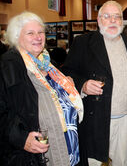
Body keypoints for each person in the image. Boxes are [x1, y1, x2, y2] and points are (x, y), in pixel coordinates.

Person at [62, 0, 127, 166]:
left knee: (121, 161)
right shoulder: (83, 43)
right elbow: (68, 72)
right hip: (95, 120)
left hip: (125, 120)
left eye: (117, 17)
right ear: (99, 21)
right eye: (107, 16)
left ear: (122, 21)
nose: (113, 21)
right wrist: (83, 85)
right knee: (93, 162)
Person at [0, 12, 83, 166]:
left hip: (67, 147)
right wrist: (21, 138)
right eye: (30, 33)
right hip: (33, 155)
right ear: (16, 37)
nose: (38, 37)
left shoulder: (48, 63)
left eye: (40, 32)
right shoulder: (8, 65)